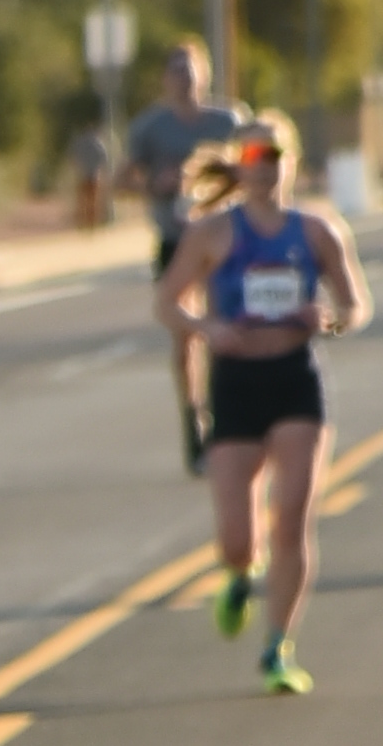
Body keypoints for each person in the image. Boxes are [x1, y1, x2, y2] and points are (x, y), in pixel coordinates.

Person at [152, 115, 367, 697]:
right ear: (238, 165)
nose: (263, 166)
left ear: (289, 163)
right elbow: (167, 302)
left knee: (292, 518)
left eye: (273, 155)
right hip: (236, 383)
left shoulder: (317, 230)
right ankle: (239, 574)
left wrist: (327, 320)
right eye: (252, 155)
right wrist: (208, 329)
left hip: (294, 379)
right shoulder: (212, 233)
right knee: (236, 536)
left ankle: (279, 647)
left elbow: (355, 306)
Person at [122, 43, 251, 472]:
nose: (185, 80)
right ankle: (193, 419)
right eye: (177, 71)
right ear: (165, 79)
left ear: (206, 75)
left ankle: (226, 415)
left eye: (191, 71)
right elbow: (121, 180)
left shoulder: (228, 121)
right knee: (186, 333)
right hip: (176, 238)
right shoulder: (150, 127)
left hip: (226, 237)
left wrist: (223, 176)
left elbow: (257, 166)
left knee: (226, 326)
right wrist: (154, 184)